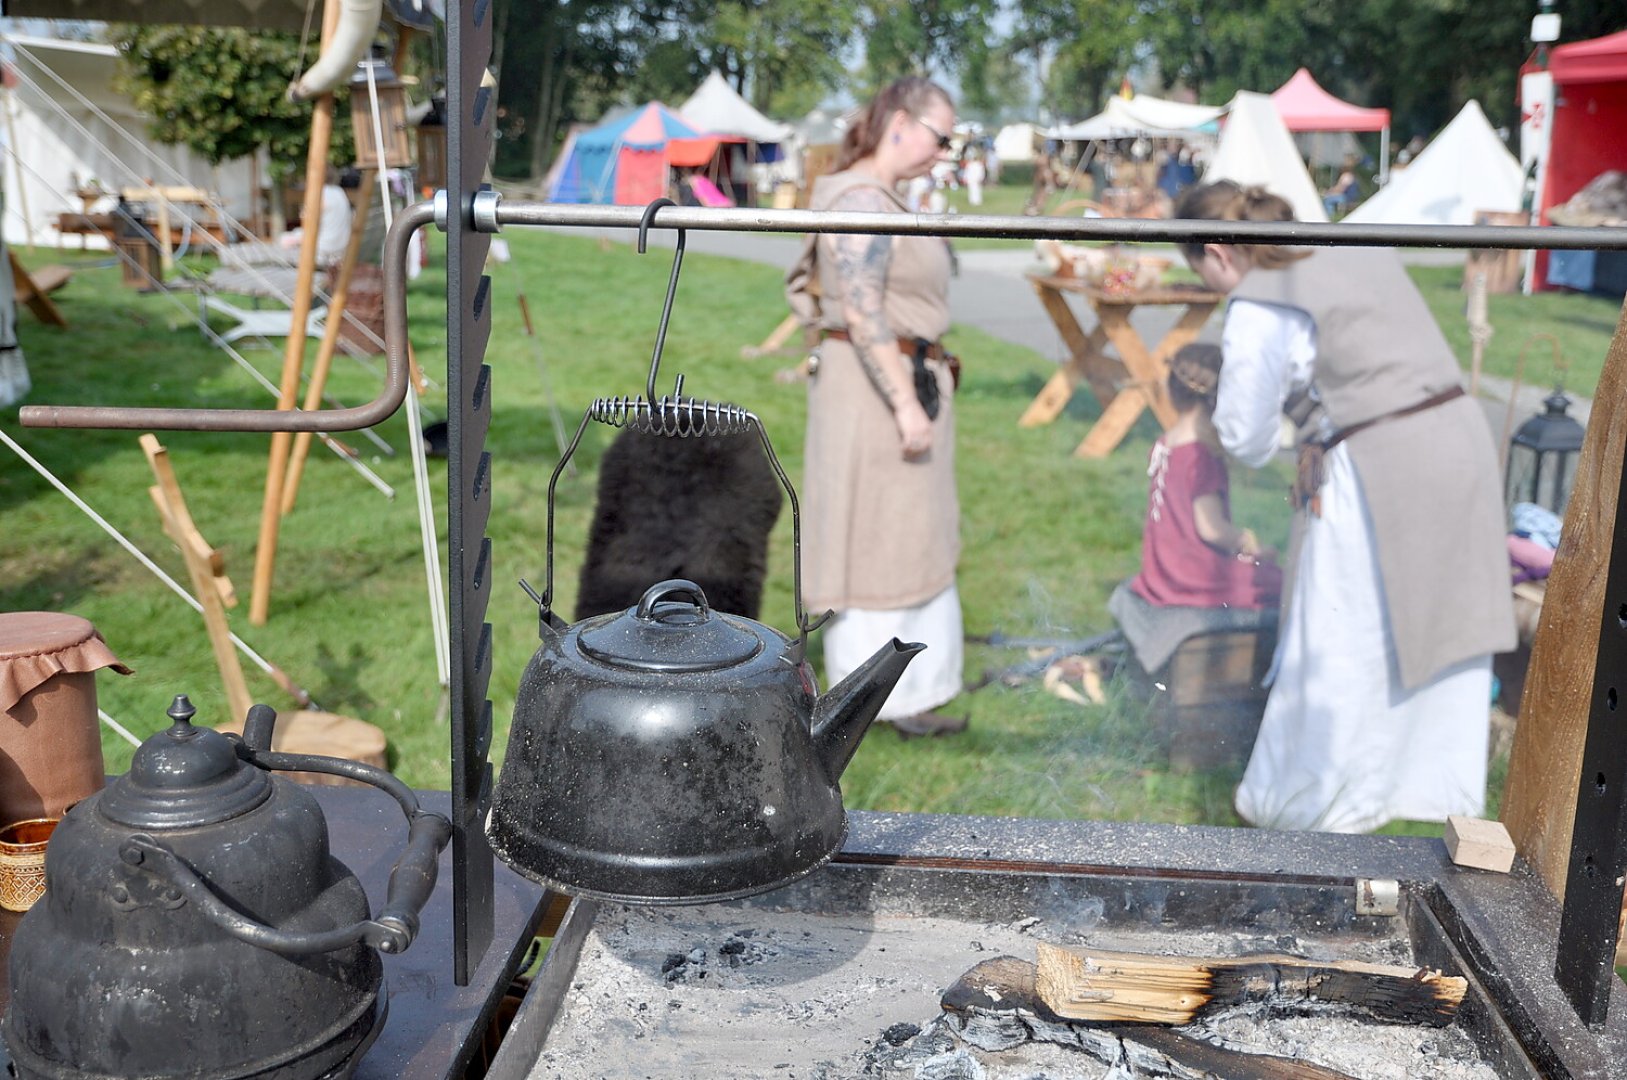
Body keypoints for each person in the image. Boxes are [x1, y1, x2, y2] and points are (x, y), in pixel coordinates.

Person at [1174, 179, 1515, 833]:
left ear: (1216, 251)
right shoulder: (1351, 243)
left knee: (1342, 635)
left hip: (1380, 467)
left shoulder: (1258, 301)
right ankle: (1416, 793)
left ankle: (1312, 804)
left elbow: (1243, 436)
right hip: (1455, 442)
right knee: (1431, 620)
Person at [800, 76, 965, 737]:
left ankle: (908, 693)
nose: (943, 151)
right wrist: (903, 402)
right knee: (868, 536)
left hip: (899, 380)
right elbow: (864, 312)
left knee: (907, 533)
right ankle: (866, 699)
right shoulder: (861, 198)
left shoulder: (884, 196)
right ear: (899, 121)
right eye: (940, 136)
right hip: (875, 391)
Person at [1108, 343, 1281, 677]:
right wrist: (1245, 540)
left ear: (1173, 392)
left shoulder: (1164, 444)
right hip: (1193, 577)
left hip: (1162, 571)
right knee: (1279, 582)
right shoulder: (1200, 456)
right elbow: (1210, 528)